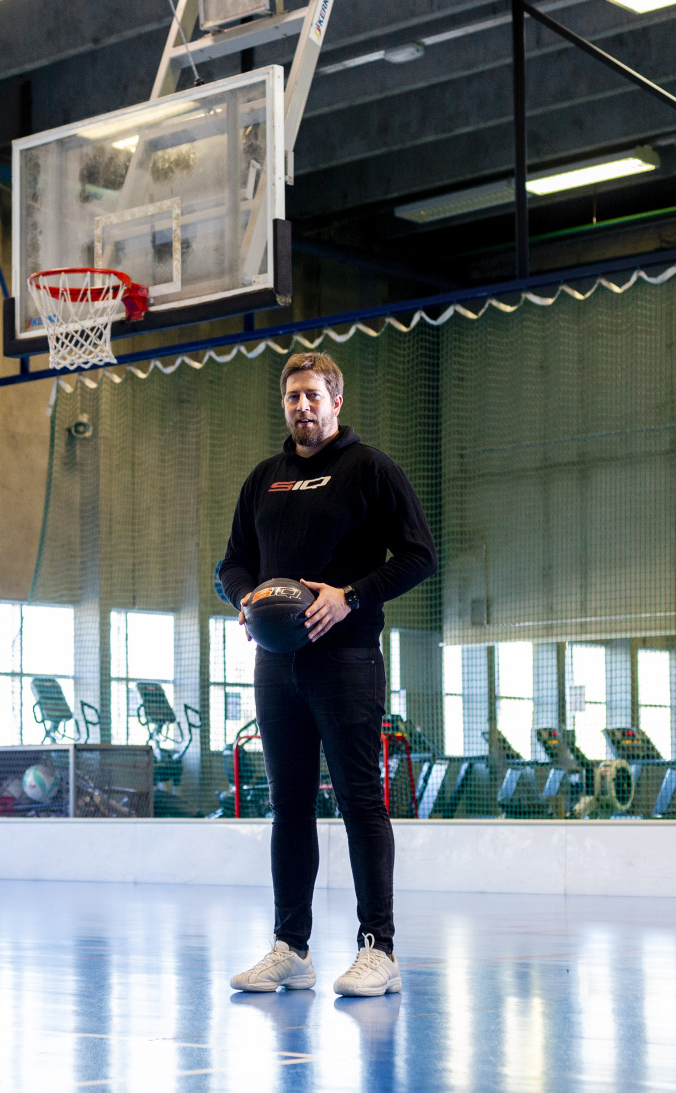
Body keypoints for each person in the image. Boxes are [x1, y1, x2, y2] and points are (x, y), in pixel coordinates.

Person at [218, 352, 437, 998]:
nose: (302, 407)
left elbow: (421, 553)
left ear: (336, 400)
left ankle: (380, 948)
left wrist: (351, 595)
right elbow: (231, 564)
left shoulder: (370, 469)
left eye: (313, 395)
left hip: (346, 662)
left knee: (360, 800)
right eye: (293, 398)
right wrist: (244, 599)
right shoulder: (265, 479)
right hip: (275, 664)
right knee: (289, 804)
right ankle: (291, 946)